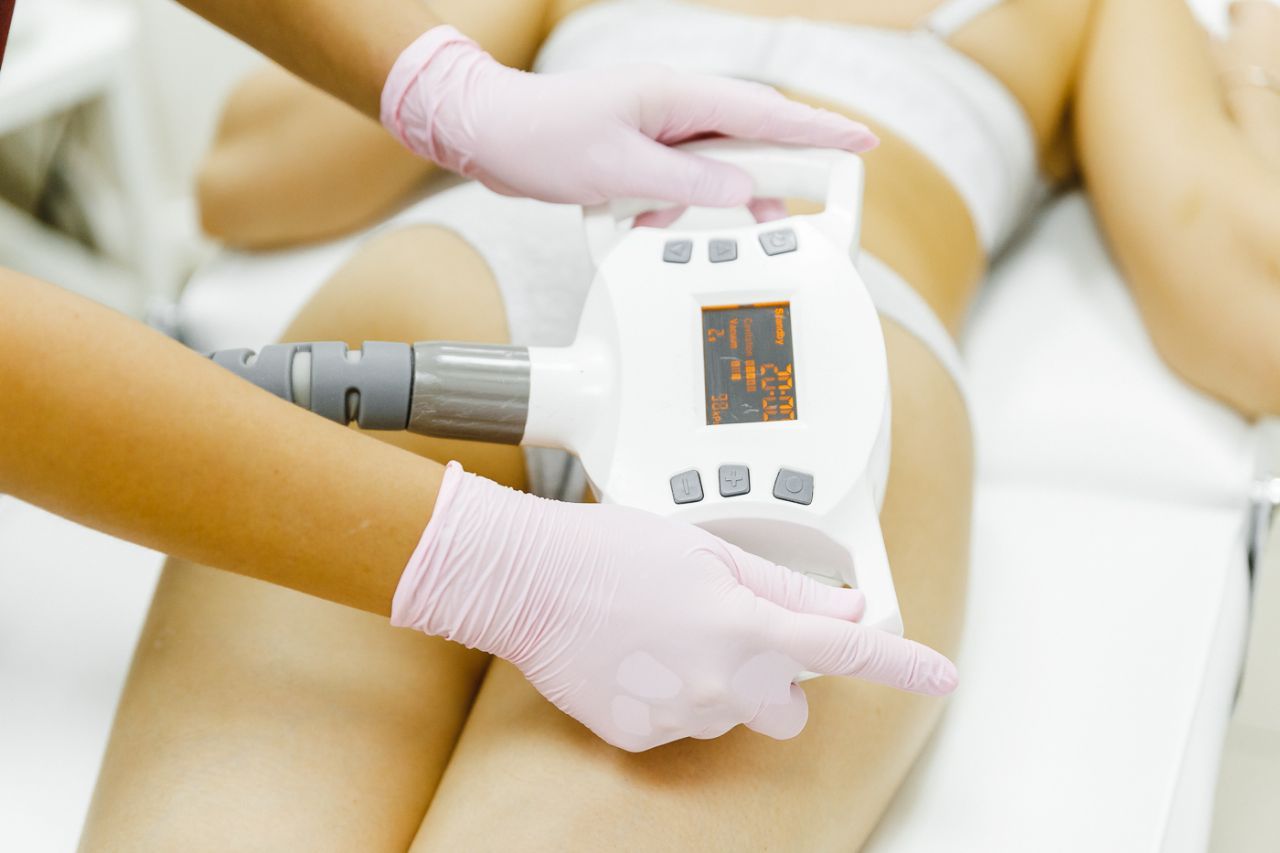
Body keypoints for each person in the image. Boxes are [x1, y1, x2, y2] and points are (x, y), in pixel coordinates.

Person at [81, 0, 1280, 850]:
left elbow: (1246, 309)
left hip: (791, 382)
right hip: (665, 341)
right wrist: (452, 83)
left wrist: (1255, 71)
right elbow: (247, 177)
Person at [1, 0, 955, 802]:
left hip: (846, 348)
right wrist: (501, 571)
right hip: (480, 265)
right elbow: (236, 184)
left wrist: (448, 87)